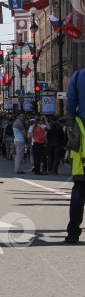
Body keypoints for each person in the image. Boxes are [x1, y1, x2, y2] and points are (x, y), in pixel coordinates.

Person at [65, 69, 85, 243]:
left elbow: (70, 106)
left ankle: (73, 232)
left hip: (82, 140)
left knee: (79, 186)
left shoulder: (78, 76)